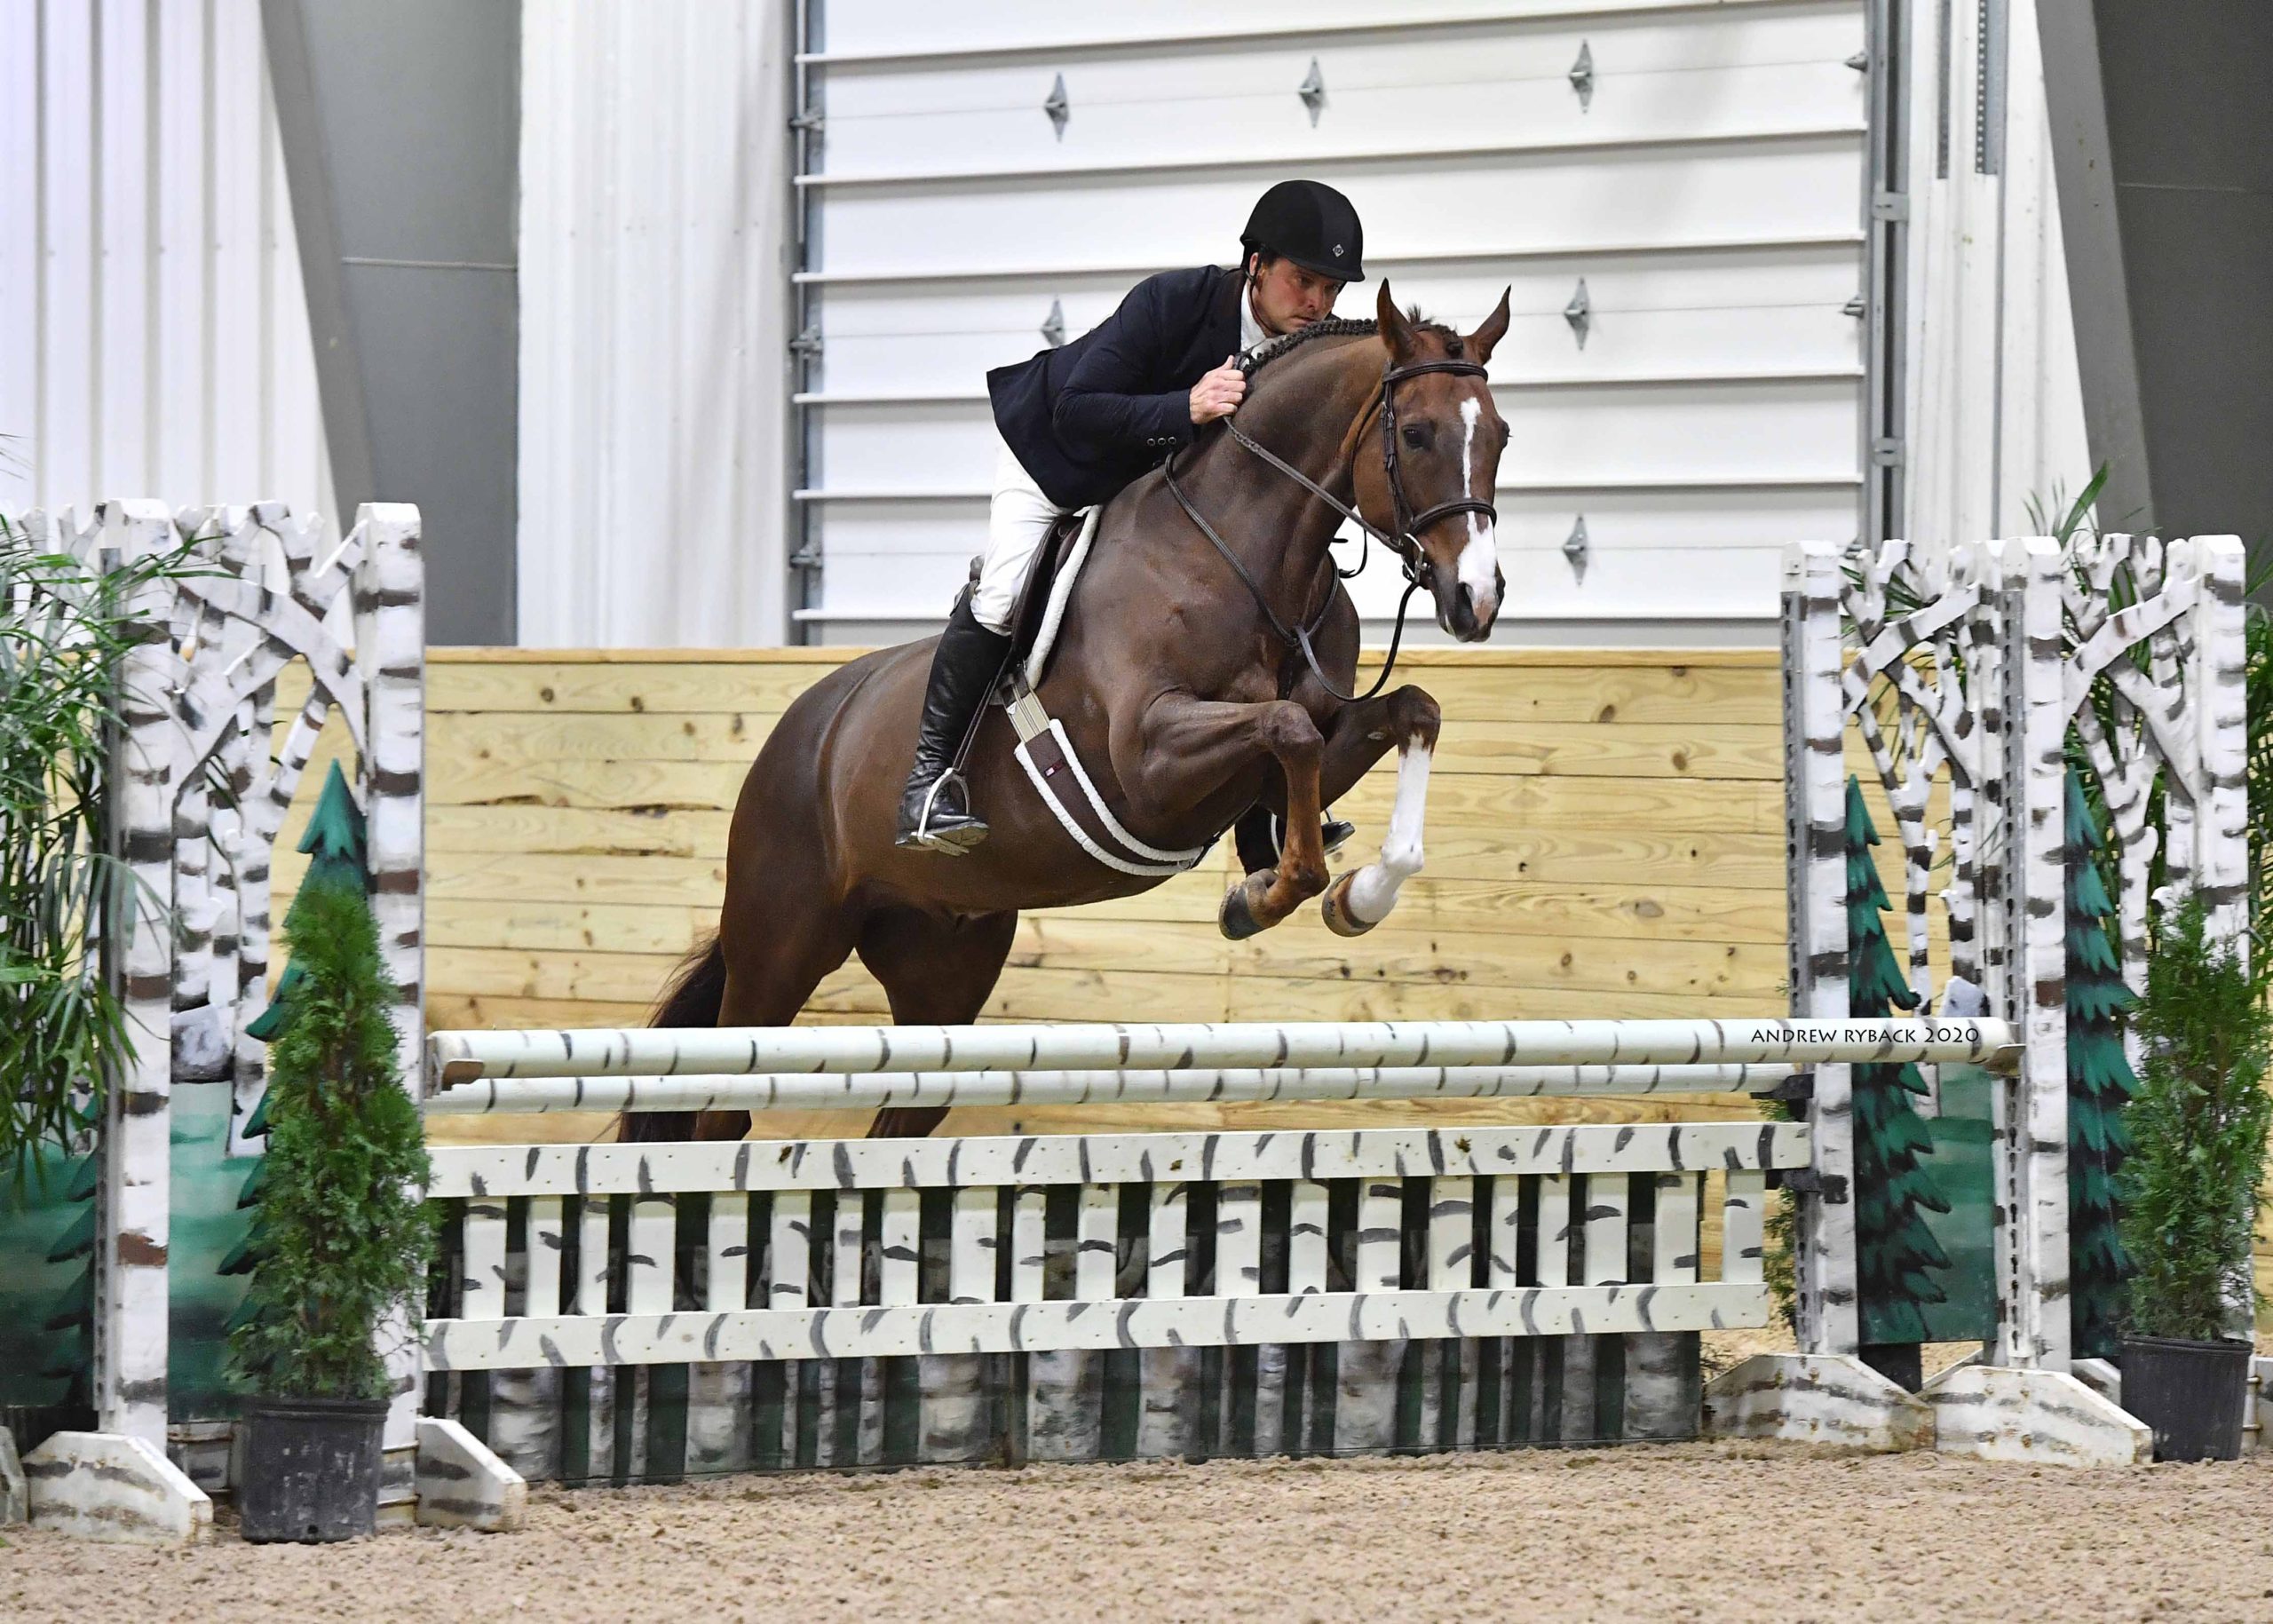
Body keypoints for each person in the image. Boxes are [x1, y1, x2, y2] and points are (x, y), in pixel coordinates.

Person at [899, 178, 1366, 856]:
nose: (1318, 304)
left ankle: (1262, 812)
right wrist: (1186, 407)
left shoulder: (1301, 351)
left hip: (1151, 490)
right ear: (1257, 265)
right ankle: (929, 783)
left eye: (1332, 291)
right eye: (1304, 282)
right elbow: (1078, 407)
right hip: (1060, 459)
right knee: (1003, 593)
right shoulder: (1173, 302)